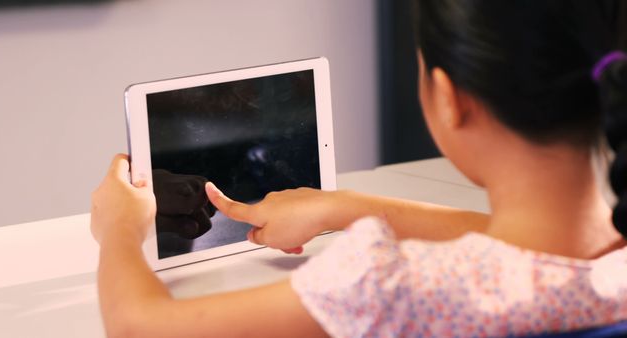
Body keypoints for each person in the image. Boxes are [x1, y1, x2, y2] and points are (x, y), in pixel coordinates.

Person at [90, 1, 627, 336]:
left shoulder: (392, 287)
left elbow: (141, 327)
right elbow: (535, 252)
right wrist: (343, 207)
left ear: (450, 99)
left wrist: (118, 229)